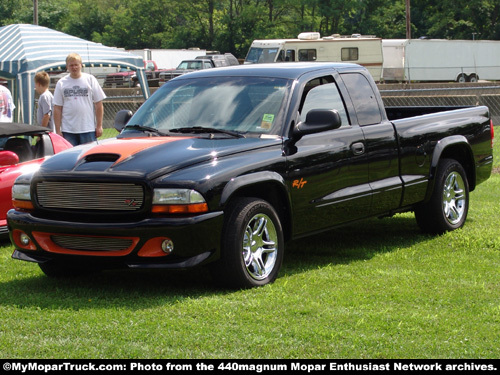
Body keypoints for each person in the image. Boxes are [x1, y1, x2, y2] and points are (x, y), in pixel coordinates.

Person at [53, 53, 106, 145]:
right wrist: (58, 130)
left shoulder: (90, 79)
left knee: (89, 157)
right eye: (71, 65)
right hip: (68, 130)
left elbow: (99, 104)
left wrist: (99, 126)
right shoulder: (61, 83)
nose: (74, 67)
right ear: (67, 67)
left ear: (81, 65)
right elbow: (57, 108)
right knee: (70, 158)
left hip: (88, 129)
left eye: (76, 65)